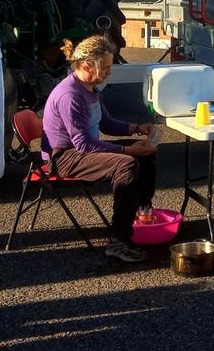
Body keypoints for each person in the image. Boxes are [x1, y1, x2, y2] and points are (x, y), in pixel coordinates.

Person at [41, 35, 158, 263]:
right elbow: (83, 144)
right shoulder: (70, 95)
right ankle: (118, 241)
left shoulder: (91, 88)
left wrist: (136, 128)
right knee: (127, 164)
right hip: (63, 156)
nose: (109, 72)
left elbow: (105, 122)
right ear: (86, 65)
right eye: (104, 67)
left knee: (148, 152)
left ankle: (142, 211)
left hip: (80, 149)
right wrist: (128, 151)